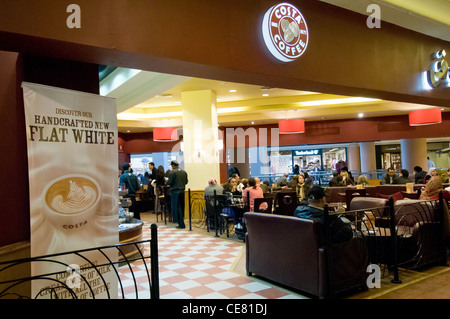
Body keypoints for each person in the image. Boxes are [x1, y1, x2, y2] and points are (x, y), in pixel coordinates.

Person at [167, 160, 188, 229]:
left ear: (173, 165)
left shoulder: (172, 172)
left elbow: (169, 182)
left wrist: (166, 181)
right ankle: (182, 222)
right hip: (182, 191)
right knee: (181, 207)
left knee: (177, 207)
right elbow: (186, 182)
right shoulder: (183, 172)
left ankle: (181, 223)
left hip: (175, 192)